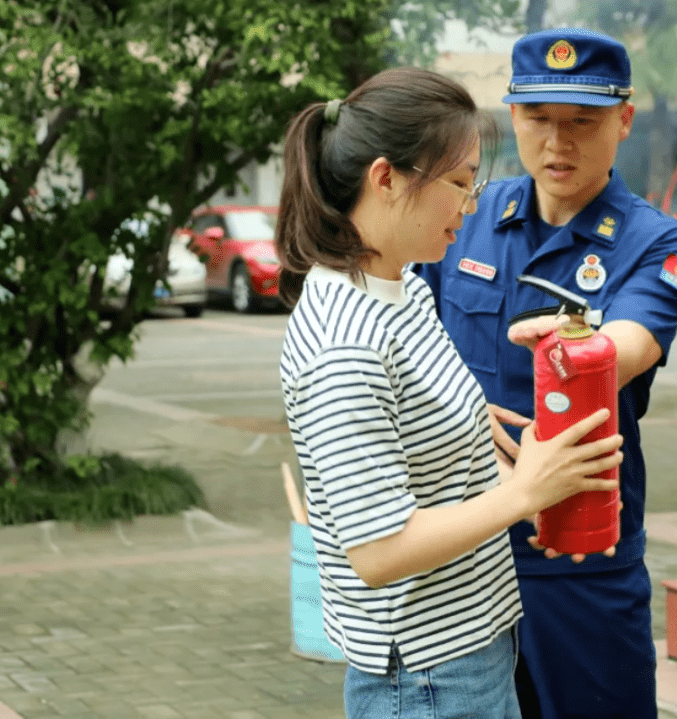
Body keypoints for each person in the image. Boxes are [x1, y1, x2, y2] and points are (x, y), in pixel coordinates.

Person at [274, 66, 625, 719]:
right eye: (460, 184)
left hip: (470, 650)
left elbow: (448, 447)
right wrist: (525, 492)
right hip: (426, 680)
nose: (471, 206)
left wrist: (539, 485)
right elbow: (379, 552)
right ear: (386, 178)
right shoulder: (344, 345)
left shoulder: (401, 287)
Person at [413, 29, 677, 719]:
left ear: (624, 120)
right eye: (538, 118)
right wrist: (449, 406)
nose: (557, 142)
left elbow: (631, 342)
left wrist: (579, 346)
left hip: (577, 558)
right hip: (463, 547)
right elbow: (406, 326)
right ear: (513, 116)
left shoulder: (655, 242)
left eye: (583, 122)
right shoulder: (467, 216)